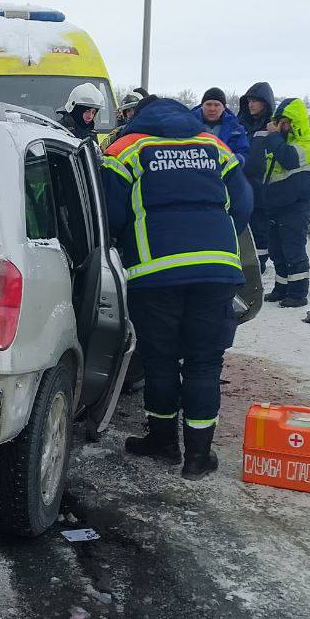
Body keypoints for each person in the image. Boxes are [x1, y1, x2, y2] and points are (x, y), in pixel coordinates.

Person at [102, 96, 254, 478]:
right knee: (205, 361)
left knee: (160, 358)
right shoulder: (214, 146)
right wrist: (217, 239)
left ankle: (163, 441)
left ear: (138, 117)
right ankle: (199, 457)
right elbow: (244, 202)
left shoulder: (126, 148)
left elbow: (111, 212)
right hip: (216, 270)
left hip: (155, 274)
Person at [246, 96, 310, 307]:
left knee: (293, 248)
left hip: (296, 204)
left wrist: (273, 136)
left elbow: (289, 159)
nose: (280, 126)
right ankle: (281, 287)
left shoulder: (309, 140)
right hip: (276, 203)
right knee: (277, 249)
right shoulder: (281, 141)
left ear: (293, 121)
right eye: (277, 122)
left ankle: (298, 293)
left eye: (283, 122)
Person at [238, 82, 275, 273]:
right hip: (241, 185)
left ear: (265, 103)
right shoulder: (241, 124)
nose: (251, 104)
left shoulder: (272, 126)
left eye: (256, 101)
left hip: (261, 186)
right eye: (249, 101)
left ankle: (258, 266)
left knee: (260, 229)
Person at [193, 87, 249, 161]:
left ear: (223, 108)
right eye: (208, 104)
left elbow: (243, 153)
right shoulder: (188, 126)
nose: (212, 109)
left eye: (217, 105)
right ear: (202, 106)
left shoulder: (236, 129)